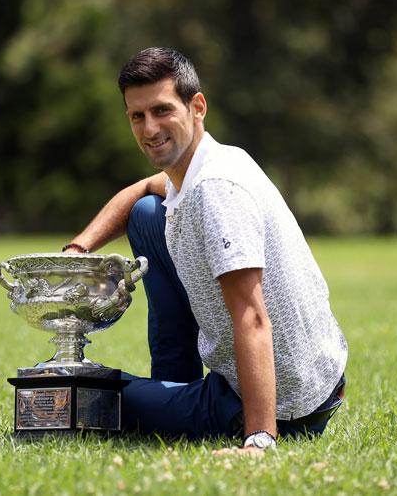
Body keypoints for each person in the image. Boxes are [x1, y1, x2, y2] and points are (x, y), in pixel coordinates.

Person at [62, 47, 348, 455]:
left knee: (73, 393)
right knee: (146, 213)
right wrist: (77, 250)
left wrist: (260, 439)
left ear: (197, 107)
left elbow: (251, 316)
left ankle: (230, 419)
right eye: (137, 116)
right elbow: (142, 190)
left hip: (284, 402)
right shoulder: (210, 162)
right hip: (319, 381)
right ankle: (175, 381)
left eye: (162, 110)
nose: (149, 129)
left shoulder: (216, 192)